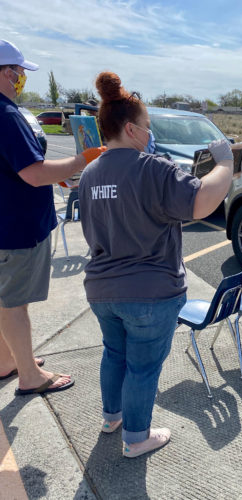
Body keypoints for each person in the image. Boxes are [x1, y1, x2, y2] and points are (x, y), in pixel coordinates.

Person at [78, 71, 234, 458]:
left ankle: (111, 417)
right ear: (131, 129)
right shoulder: (153, 168)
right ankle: (137, 437)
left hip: (101, 289)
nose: (150, 134)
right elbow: (201, 201)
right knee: (143, 368)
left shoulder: (91, 173)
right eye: (147, 127)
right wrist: (226, 164)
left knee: (114, 354)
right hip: (150, 292)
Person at [0, 40, 105, 395]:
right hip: (18, 228)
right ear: (4, 71)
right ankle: (29, 376)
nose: (20, 78)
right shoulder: (8, 115)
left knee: (5, 299)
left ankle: (8, 360)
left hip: (8, 222)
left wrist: (56, 173)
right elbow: (31, 172)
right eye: (17, 71)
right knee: (15, 304)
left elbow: (19, 169)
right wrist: (81, 161)